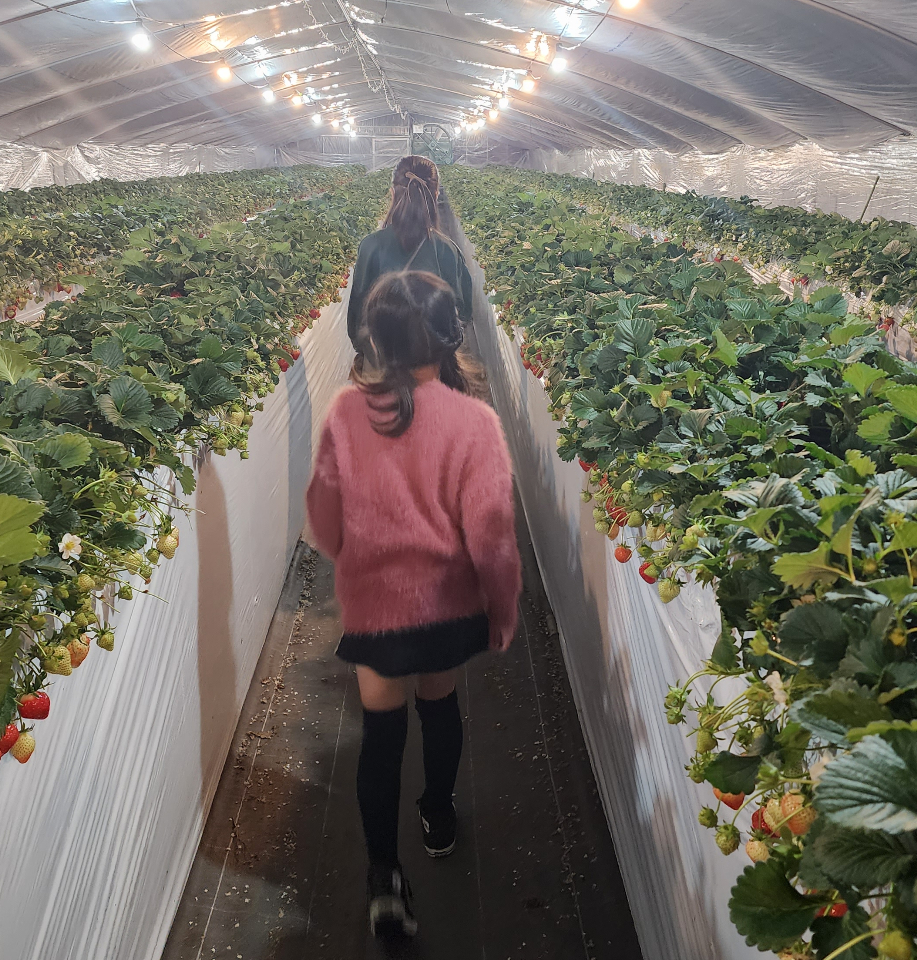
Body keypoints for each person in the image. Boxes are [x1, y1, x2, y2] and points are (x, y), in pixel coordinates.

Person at [306, 270, 521, 939]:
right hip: (447, 604)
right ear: (451, 335)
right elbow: (492, 535)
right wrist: (502, 608)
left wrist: (358, 559)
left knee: (381, 735)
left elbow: (323, 520)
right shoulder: (474, 422)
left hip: (375, 605)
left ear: (376, 338)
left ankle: (383, 878)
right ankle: (438, 814)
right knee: (440, 703)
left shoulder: (347, 412)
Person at [346, 155, 474, 358]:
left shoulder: (371, 246)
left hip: (385, 362)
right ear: (436, 194)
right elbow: (462, 313)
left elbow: (356, 318)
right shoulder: (448, 250)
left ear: (392, 193)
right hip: (433, 364)